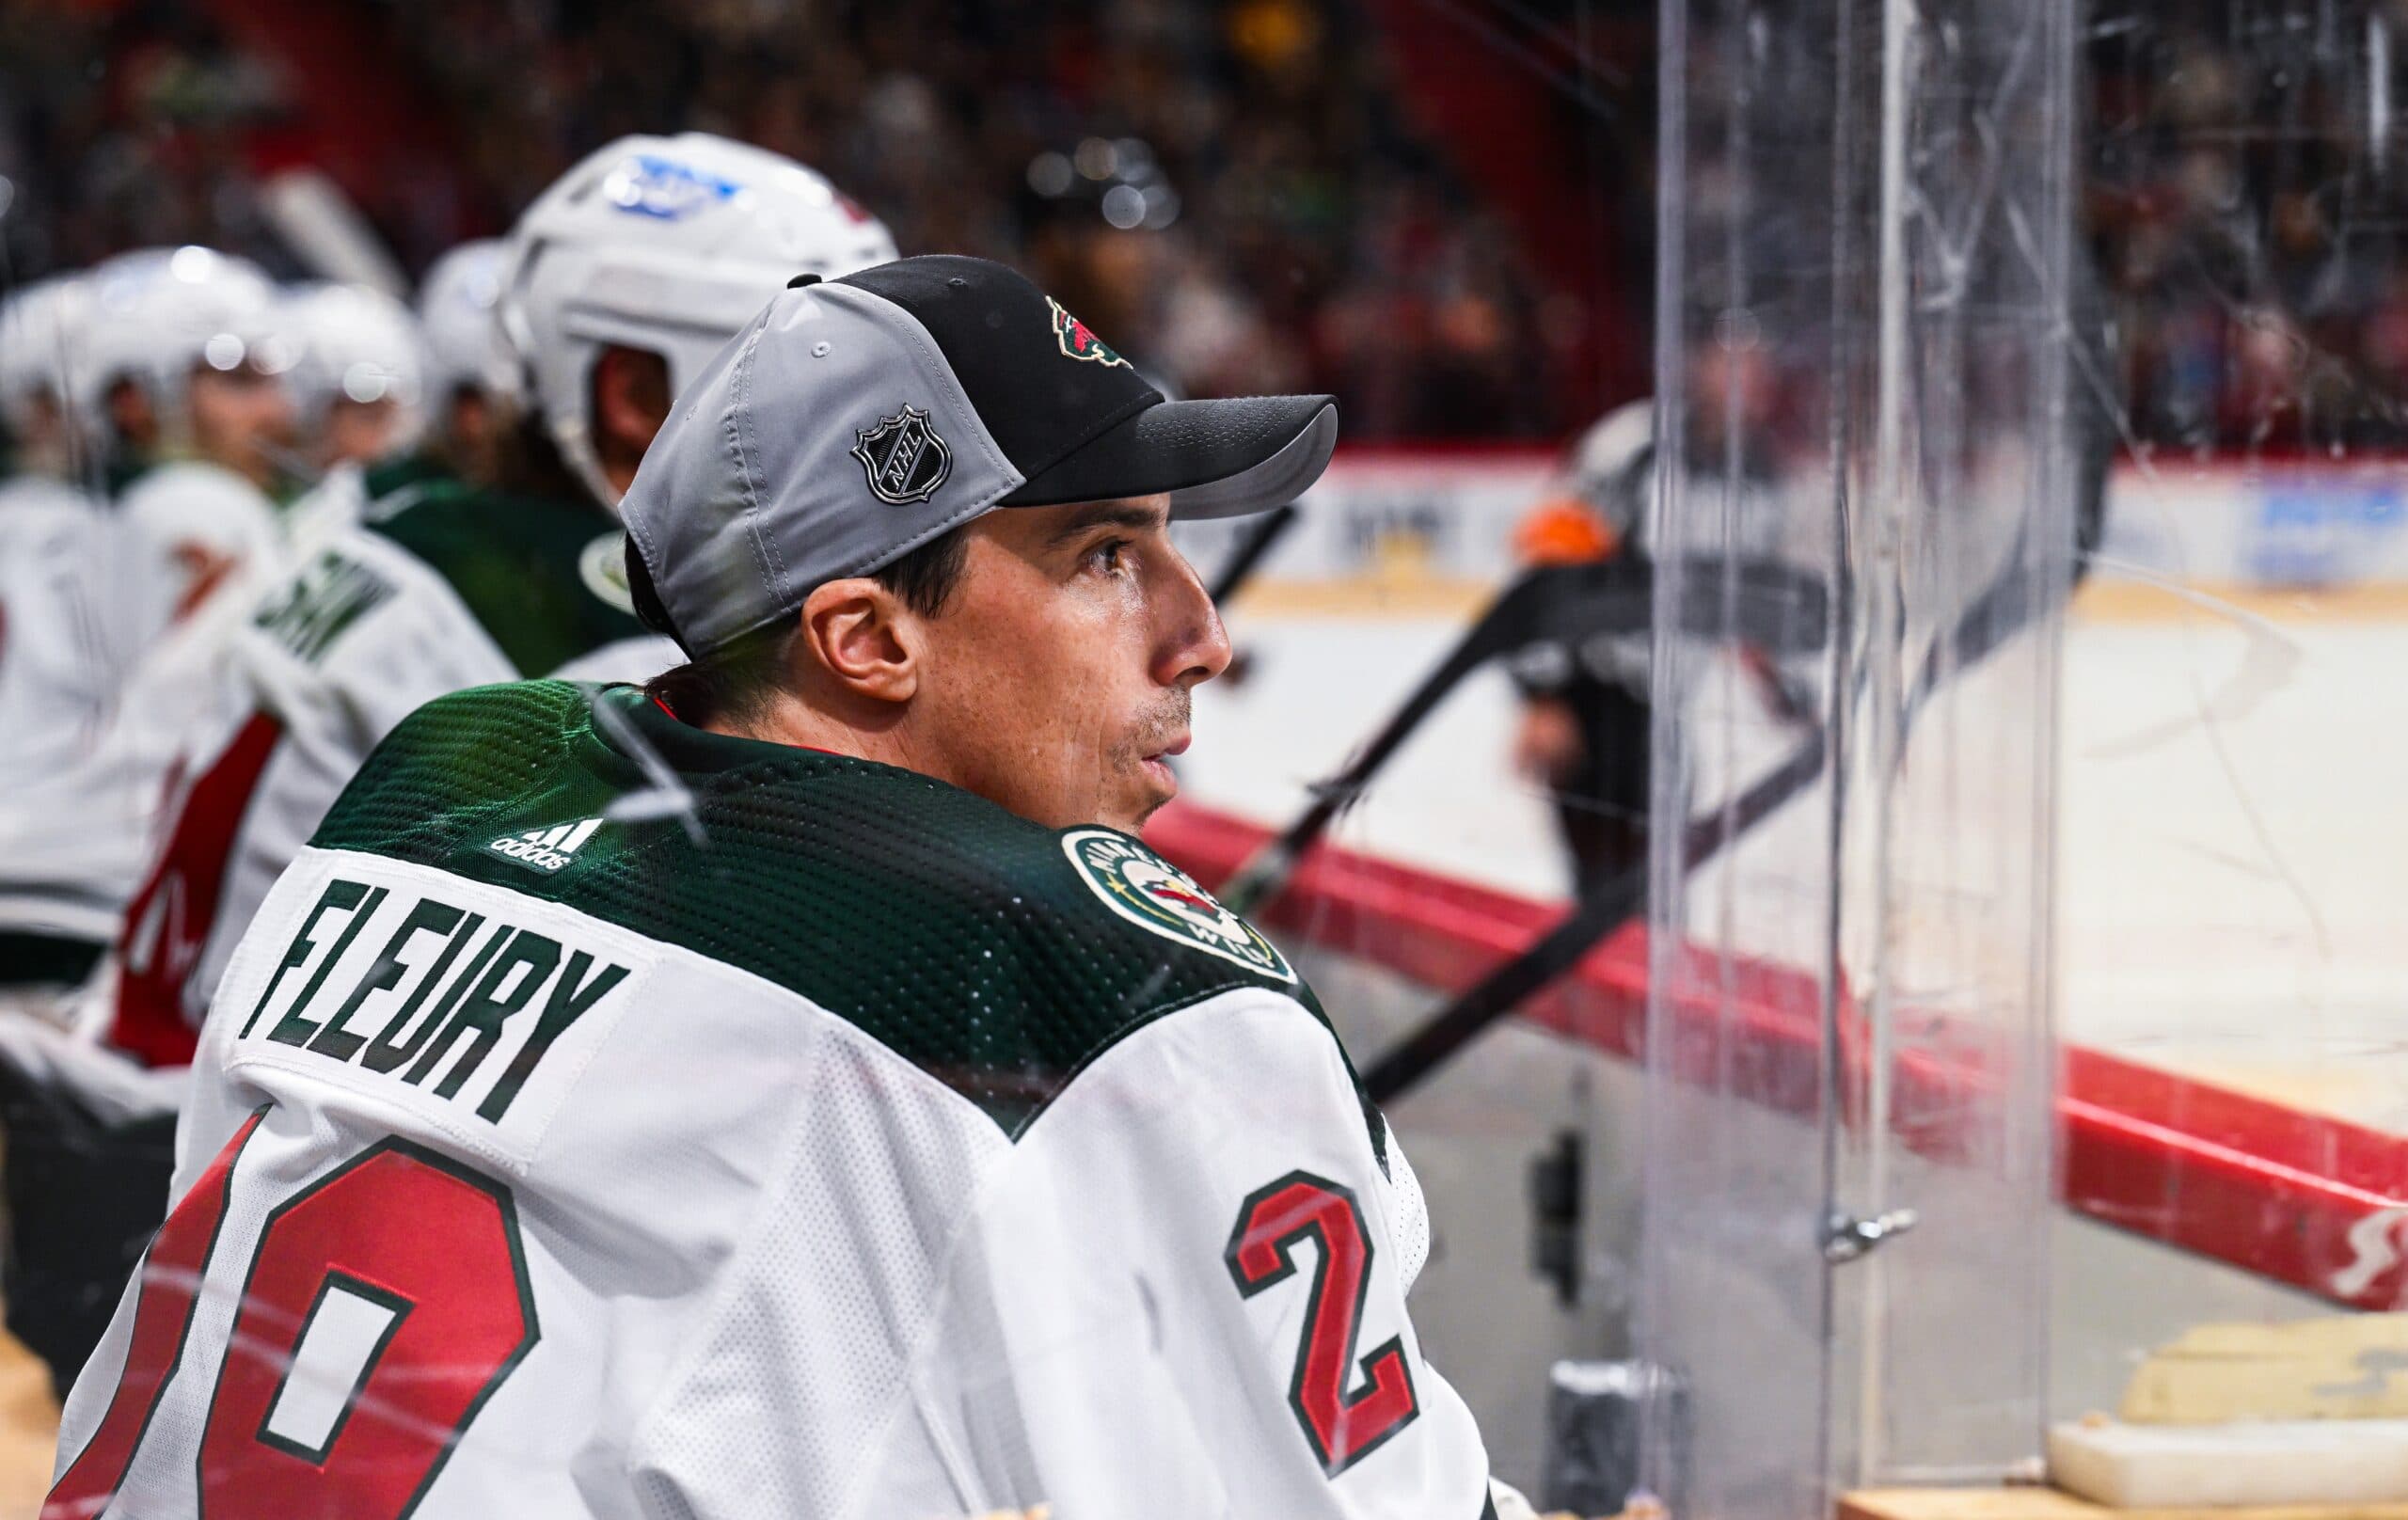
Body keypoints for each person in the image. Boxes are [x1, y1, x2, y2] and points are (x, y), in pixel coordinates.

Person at [49, 255, 1521, 1518]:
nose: (1200, 637)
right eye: (1106, 555)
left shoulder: (440, 777)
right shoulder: (1079, 979)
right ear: (866, 639)